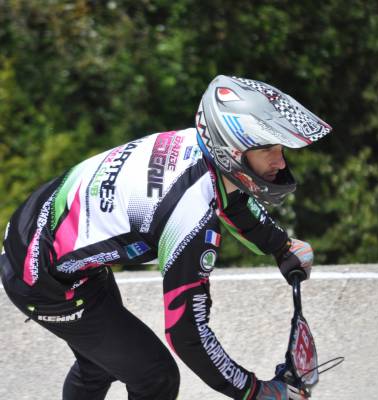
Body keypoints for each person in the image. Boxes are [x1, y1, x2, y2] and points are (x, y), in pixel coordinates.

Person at [0, 75, 332, 400]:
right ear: (231, 150)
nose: (280, 161)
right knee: (155, 377)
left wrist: (281, 246)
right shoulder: (189, 218)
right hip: (39, 275)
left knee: (100, 364)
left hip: (40, 232)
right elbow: (187, 334)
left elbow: (231, 197)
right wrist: (254, 391)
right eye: (268, 149)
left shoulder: (199, 147)